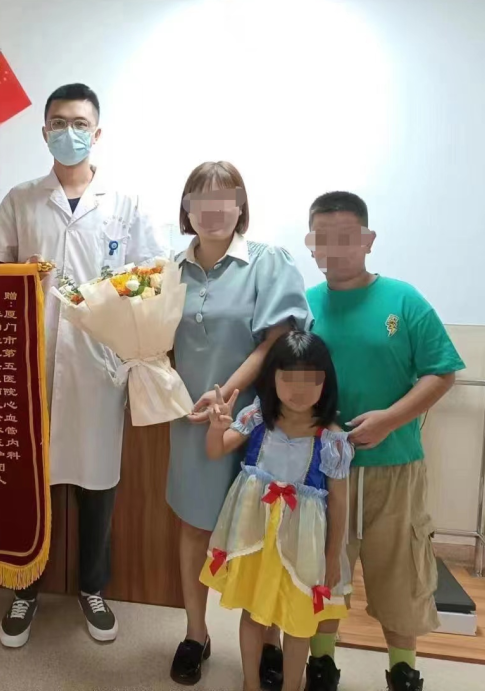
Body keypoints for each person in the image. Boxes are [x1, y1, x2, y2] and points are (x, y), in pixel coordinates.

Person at [0, 82, 165, 648]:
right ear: (44, 132)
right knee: (28, 486)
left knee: (96, 483)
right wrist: (21, 276)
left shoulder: (125, 204)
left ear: (97, 132)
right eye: (59, 123)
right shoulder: (21, 199)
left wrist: (113, 291)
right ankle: (25, 588)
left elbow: (152, 277)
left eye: (80, 123)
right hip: (29, 365)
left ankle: (92, 587)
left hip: (97, 365)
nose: (69, 132)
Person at [303, 191, 464, 691]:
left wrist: (390, 421)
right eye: (322, 238)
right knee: (323, 568)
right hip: (322, 469)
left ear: (368, 240)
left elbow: (442, 372)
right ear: (310, 244)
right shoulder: (304, 305)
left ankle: (402, 669)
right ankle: (321, 663)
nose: (333, 248)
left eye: (345, 237)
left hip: (394, 465)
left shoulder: (404, 300)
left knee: (401, 572)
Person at [170, 161, 310, 686]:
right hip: (192, 420)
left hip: (256, 421)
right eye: (200, 200)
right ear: (186, 210)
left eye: (224, 200)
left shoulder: (268, 263)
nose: (212, 211)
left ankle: (267, 640)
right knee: (194, 526)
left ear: (241, 207)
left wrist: (226, 393)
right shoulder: (168, 271)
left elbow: (277, 340)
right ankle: (195, 633)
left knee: (265, 531)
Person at [200, 331, 353, 691]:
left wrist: (333, 556)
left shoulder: (331, 439)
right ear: (273, 377)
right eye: (289, 378)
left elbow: (339, 501)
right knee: (253, 613)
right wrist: (216, 429)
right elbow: (216, 450)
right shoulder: (258, 417)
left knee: (298, 621)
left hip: (304, 545)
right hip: (255, 537)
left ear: (325, 382)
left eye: (310, 379)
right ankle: (250, 683)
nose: (299, 390)